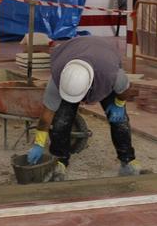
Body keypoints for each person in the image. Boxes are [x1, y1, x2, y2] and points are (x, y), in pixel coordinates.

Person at [26, 37, 140, 181]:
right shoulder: (57, 79)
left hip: (101, 59)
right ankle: (60, 160)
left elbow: (125, 90)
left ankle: (128, 160)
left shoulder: (111, 74)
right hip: (73, 53)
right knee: (61, 121)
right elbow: (47, 114)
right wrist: (38, 143)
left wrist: (118, 104)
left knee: (120, 120)